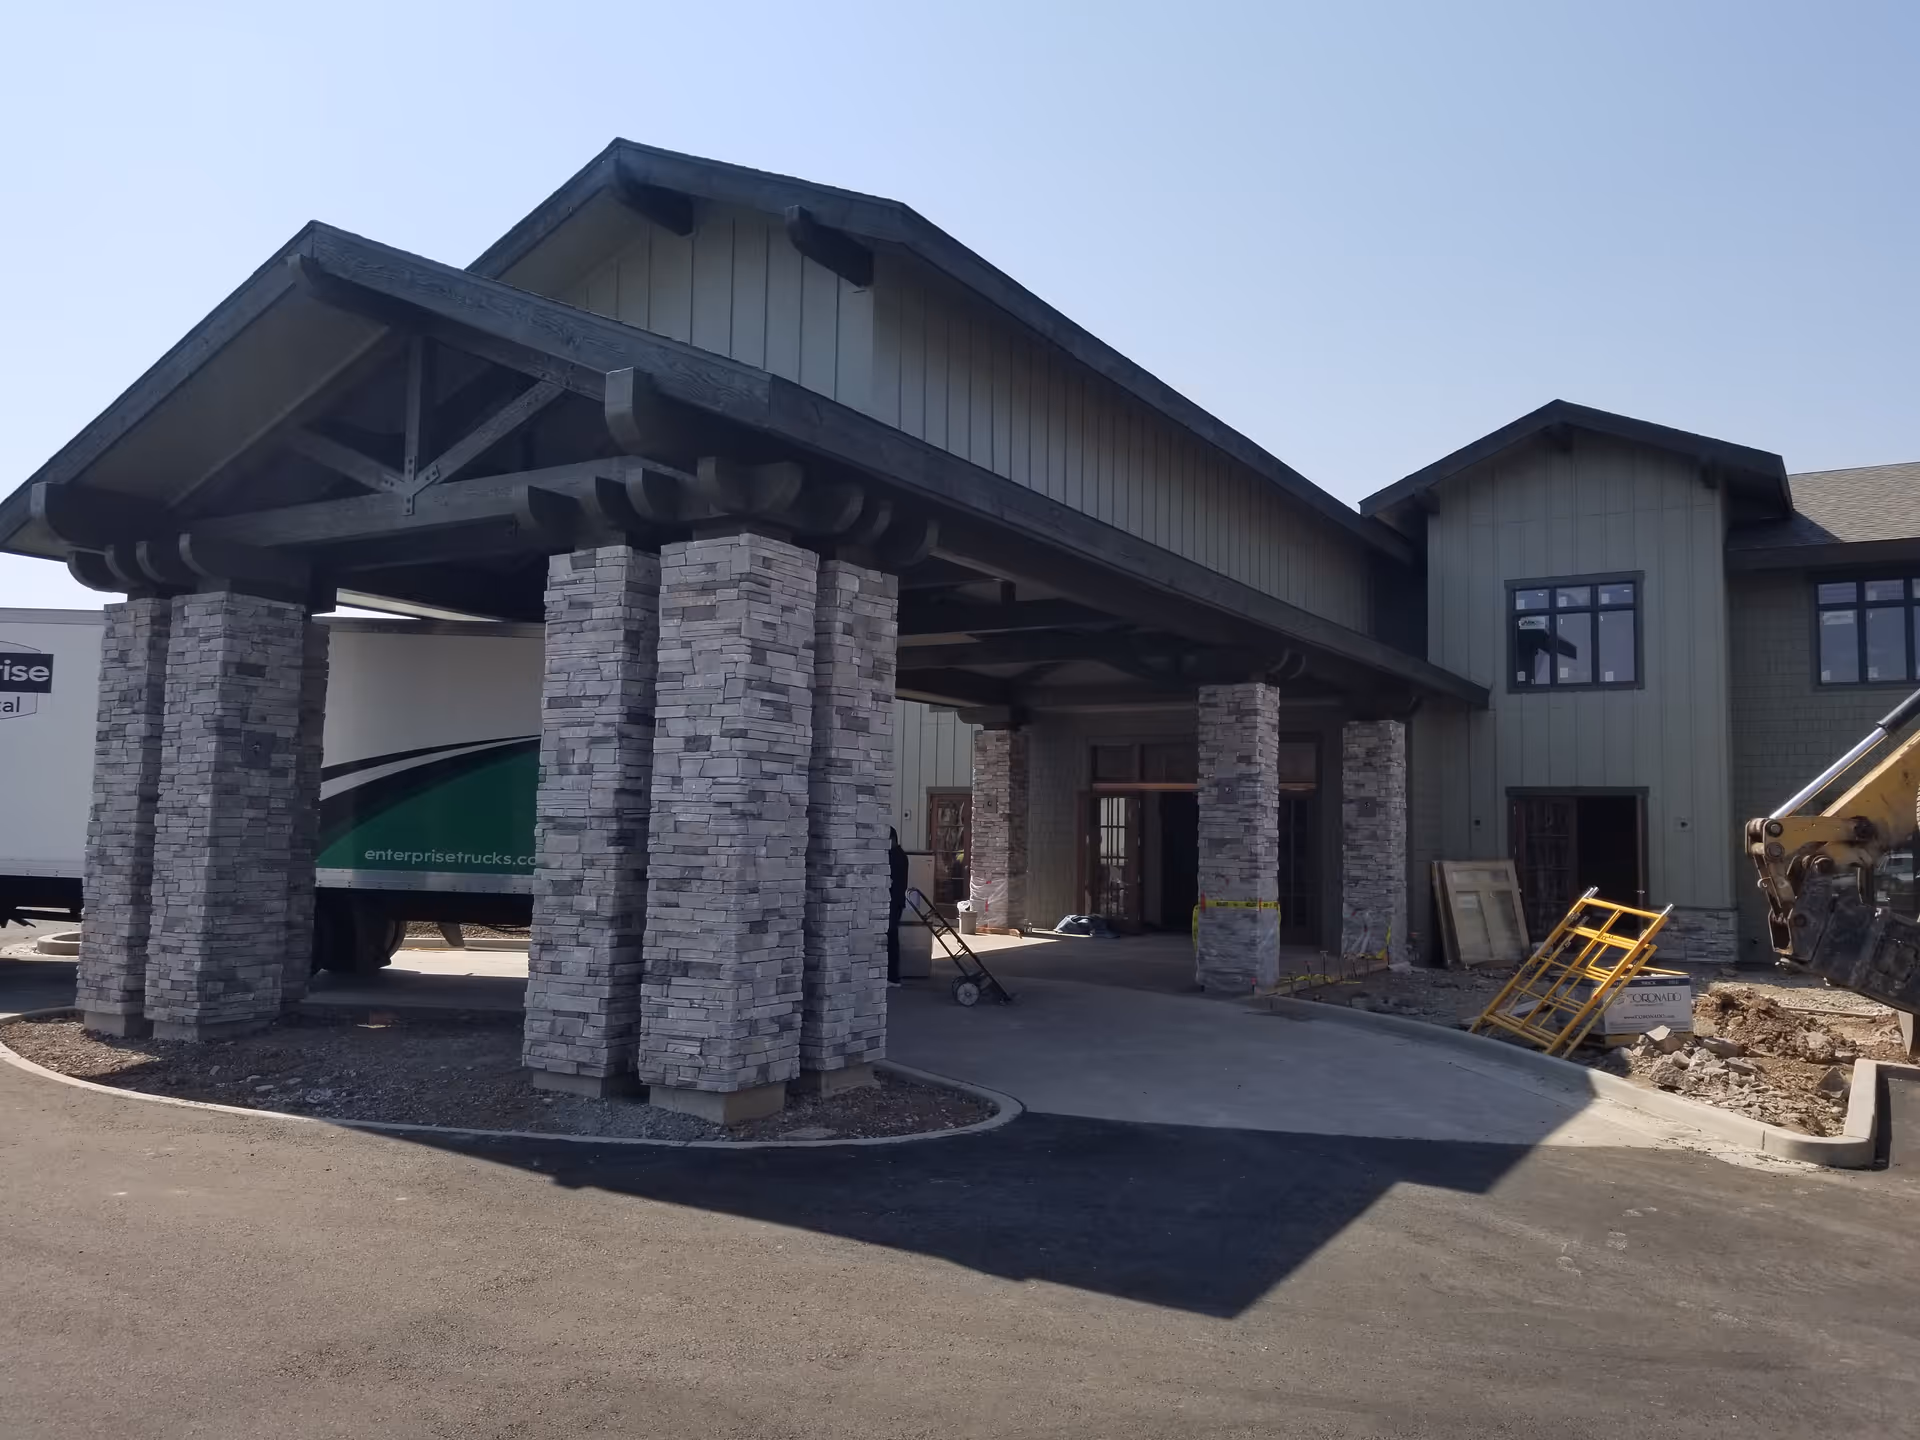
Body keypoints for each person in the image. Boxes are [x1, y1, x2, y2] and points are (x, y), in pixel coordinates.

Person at [887, 827, 909, 985]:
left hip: (893, 903)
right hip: (897, 902)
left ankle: (893, 976)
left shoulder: (895, 856)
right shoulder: (901, 855)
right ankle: (893, 975)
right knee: (891, 938)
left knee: (891, 939)